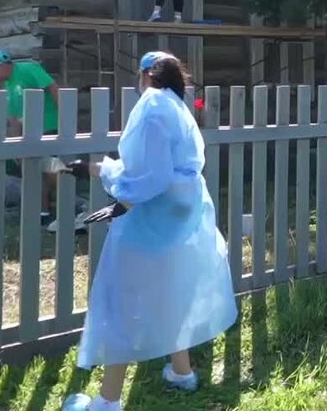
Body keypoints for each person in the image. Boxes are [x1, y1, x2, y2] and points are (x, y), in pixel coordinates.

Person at [62, 52, 237, 411]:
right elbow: (156, 165)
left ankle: (107, 401)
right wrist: (99, 169)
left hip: (153, 213)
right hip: (183, 212)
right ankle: (181, 372)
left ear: (145, 75)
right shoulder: (177, 106)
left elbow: (148, 176)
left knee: (121, 299)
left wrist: (121, 201)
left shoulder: (151, 105)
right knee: (172, 289)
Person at [0, 49, 63, 224]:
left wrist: (65, 119)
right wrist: (16, 145)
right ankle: (43, 213)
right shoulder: (8, 84)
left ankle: (67, 208)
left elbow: (53, 88)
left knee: (51, 168)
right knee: (34, 171)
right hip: (30, 133)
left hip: (48, 125)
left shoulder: (27, 69)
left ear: (2, 65)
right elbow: (14, 118)